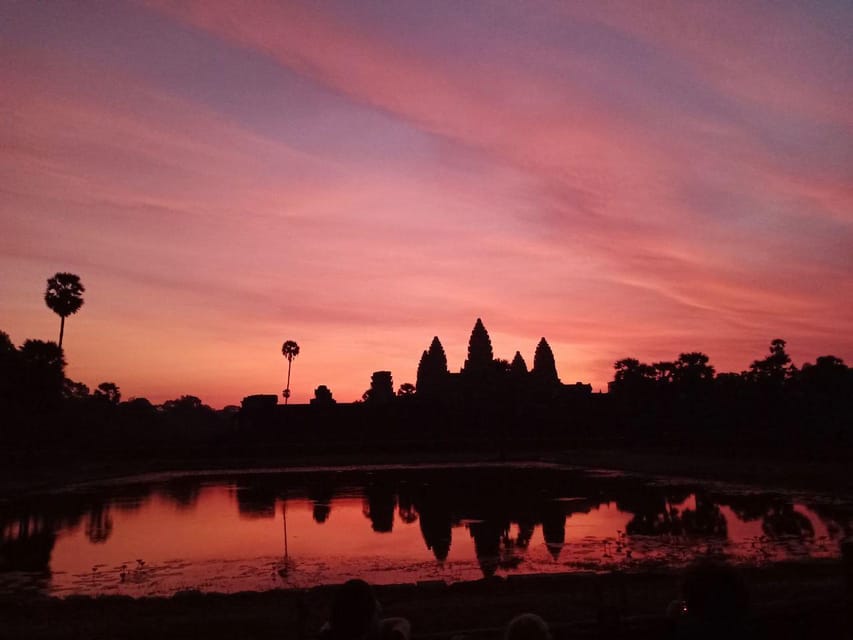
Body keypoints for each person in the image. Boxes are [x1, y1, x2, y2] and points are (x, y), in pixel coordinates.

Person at [320, 579, 411, 640]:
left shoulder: (334, 630)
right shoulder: (374, 631)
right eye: (377, 614)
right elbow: (401, 622)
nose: (380, 610)